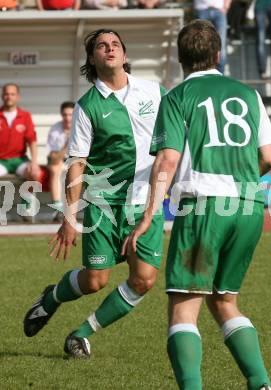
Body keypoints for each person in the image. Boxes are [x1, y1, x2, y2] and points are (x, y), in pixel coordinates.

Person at [123, 20, 271, 390]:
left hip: (204, 209)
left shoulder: (176, 98)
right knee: (224, 300)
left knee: (183, 307)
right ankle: (262, 384)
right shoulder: (248, 94)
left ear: (180, 58)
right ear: (218, 55)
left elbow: (168, 160)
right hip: (249, 206)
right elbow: (269, 157)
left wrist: (147, 218)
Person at [23, 28, 165, 359]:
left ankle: (82, 334)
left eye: (116, 44)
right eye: (102, 45)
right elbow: (77, 164)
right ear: (92, 58)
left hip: (145, 203)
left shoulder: (155, 92)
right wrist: (69, 218)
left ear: (125, 55)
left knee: (143, 280)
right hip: (104, 205)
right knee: (95, 281)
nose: (110, 48)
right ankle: (52, 297)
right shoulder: (88, 106)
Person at [0, 83, 40, 216]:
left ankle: (25, 208)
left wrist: (34, 163)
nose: (8, 97)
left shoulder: (25, 116)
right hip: (2, 161)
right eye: (6, 94)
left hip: (19, 160)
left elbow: (32, 141)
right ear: (2, 96)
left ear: (18, 97)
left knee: (34, 172)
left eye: (12, 94)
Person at [47, 101, 74, 220]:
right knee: (54, 168)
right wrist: (66, 145)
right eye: (65, 115)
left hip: (79, 161)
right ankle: (58, 208)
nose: (67, 118)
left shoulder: (81, 125)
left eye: (70, 114)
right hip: (61, 161)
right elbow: (53, 157)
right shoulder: (55, 129)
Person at [193, 0, 232, 73]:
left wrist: (226, 6)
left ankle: (220, 79)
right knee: (200, 45)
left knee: (221, 46)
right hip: (202, 9)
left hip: (219, 10)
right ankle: (202, 78)